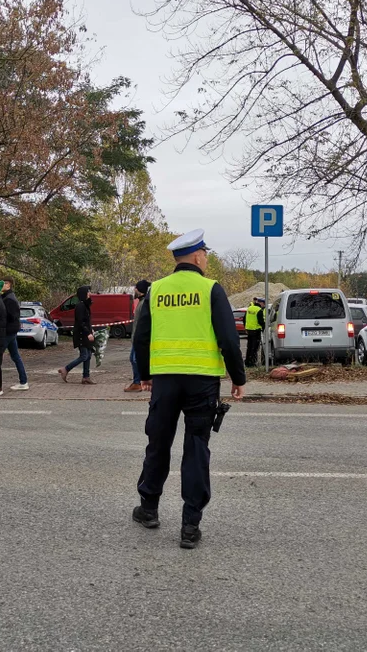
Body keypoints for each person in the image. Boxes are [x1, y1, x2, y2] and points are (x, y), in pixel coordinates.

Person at [131, 229, 247, 549]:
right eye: (206, 254)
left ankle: (149, 509)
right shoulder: (211, 289)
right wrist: (238, 377)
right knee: (196, 449)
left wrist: (144, 375)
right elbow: (228, 338)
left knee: (158, 443)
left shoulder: (156, 290)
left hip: (165, 380)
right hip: (202, 382)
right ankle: (190, 525)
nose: (206, 258)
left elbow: (141, 336)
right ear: (197, 257)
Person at [0, 278, 29, 391]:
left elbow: (11, 316)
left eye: (3, 284)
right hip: (10, 331)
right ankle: (23, 381)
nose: (1, 286)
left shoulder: (9, 299)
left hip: (8, 331)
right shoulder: (7, 297)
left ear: (8, 285)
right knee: (15, 357)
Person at [58, 285, 95, 385]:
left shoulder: (86, 305)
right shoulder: (80, 306)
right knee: (84, 356)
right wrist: (88, 333)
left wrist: (91, 330)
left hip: (86, 333)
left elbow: (87, 321)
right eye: (88, 292)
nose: (89, 293)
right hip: (81, 335)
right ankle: (65, 369)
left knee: (88, 355)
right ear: (84, 294)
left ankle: (86, 377)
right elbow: (80, 321)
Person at [125, 279, 151, 392]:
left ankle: (137, 382)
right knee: (133, 359)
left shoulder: (143, 303)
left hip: (138, 339)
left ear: (140, 290)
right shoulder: (141, 302)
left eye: (136, 288)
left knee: (135, 359)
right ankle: (137, 381)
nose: (134, 290)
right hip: (136, 338)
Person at [243, 296, 264, 367]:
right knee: (254, 348)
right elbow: (261, 321)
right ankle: (252, 362)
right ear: (261, 304)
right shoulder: (259, 310)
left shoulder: (249, 308)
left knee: (249, 347)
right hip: (256, 331)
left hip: (249, 331)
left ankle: (247, 362)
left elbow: (244, 319)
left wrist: (245, 327)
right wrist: (264, 328)